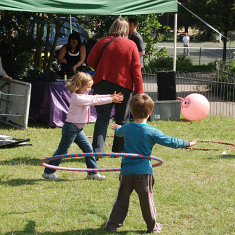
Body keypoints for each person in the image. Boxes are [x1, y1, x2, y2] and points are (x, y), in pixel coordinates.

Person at [105, 93, 199, 233]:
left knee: (121, 200)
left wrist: (118, 128)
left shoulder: (127, 128)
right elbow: (170, 141)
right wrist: (187, 143)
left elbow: (119, 133)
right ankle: (153, 227)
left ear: (131, 111)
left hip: (126, 172)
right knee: (147, 201)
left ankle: (112, 225)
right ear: (150, 112)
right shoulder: (152, 131)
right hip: (143, 173)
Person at [42, 72, 124, 181]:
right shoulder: (77, 98)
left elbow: (95, 97)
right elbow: (95, 100)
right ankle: (48, 172)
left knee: (88, 149)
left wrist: (110, 96)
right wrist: (111, 99)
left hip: (77, 129)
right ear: (78, 86)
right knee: (62, 151)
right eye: (86, 88)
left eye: (90, 88)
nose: (88, 90)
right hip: (71, 128)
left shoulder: (83, 95)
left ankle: (93, 173)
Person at [87, 18, 144, 154]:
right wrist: (139, 91)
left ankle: (97, 150)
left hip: (102, 84)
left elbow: (90, 61)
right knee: (122, 119)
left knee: (102, 118)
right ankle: (119, 150)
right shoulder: (131, 45)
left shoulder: (102, 42)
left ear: (112, 28)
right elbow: (136, 70)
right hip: (123, 85)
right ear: (126, 29)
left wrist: (102, 68)